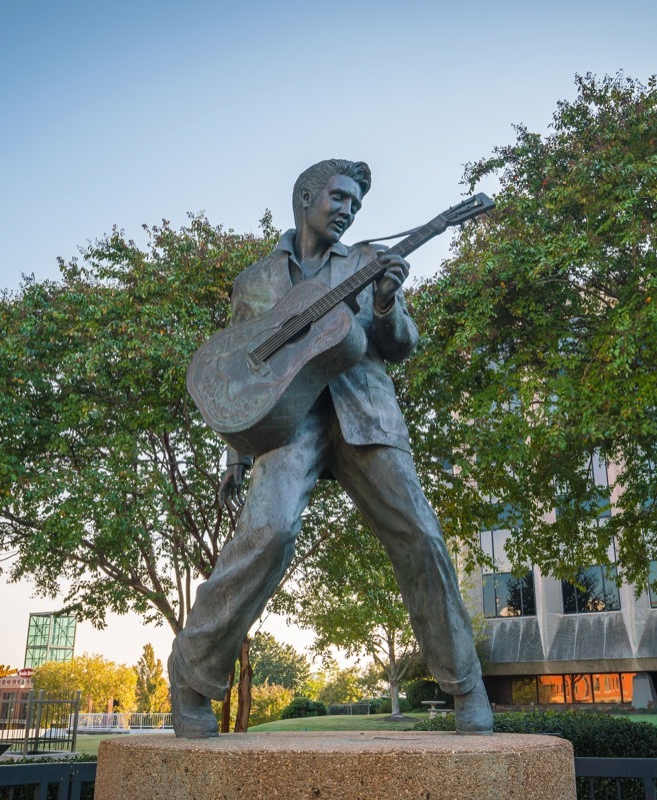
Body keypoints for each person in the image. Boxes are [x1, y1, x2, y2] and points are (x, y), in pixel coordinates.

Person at [168, 159, 492, 737]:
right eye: (339, 197)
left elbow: (400, 345)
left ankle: (466, 684)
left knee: (419, 533)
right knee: (266, 533)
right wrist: (236, 455)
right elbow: (241, 372)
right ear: (306, 196)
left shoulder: (366, 261)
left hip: (364, 413)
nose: (347, 210)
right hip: (290, 424)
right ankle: (191, 676)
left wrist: (388, 304)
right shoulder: (256, 282)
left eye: (356, 205)